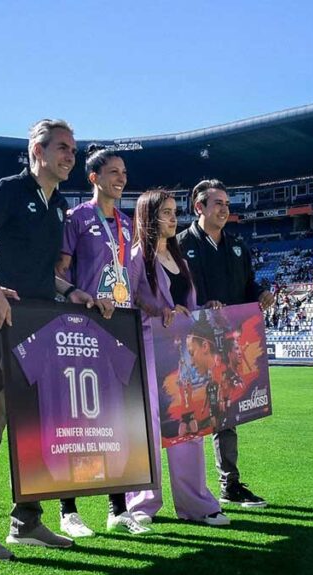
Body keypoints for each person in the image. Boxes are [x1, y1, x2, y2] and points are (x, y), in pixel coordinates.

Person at [0, 119, 101, 562]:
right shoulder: (10, 188)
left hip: (42, 325)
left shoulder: (58, 206)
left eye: (73, 150)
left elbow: (44, 273)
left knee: (37, 430)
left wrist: (70, 290)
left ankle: (28, 522)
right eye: (62, 148)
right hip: (2, 322)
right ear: (37, 151)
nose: (69, 156)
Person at [53, 145, 150, 537]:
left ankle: (116, 507)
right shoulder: (76, 219)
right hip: (80, 329)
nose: (121, 178)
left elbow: (128, 276)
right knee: (75, 420)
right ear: (93, 178)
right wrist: (83, 296)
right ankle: (68, 510)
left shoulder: (128, 224)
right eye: (113, 172)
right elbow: (60, 272)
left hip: (118, 329)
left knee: (116, 420)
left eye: (124, 172)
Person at [124, 188, 231, 527]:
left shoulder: (180, 259)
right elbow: (128, 299)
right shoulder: (137, 256)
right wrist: (159, 310)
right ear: (148, 217)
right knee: (151, 430)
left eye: (174, 212)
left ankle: (197, 505)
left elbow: (189, 305)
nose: (173, 219)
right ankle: (141, 507)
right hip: (150, 351)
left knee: (189, 429)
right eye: (166, 212)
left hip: (183, 352)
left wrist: (205, 309)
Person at [177, 179, 274, 508]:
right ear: (199, 207)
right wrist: (201, 306)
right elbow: (174, 295)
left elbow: (248, 286)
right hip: (191, 344)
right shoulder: (179, 245)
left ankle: (229, 484)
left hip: (229, 343)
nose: (225, 209)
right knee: (189, 418)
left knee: (226, 416)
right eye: (218, 203)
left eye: (227, 203)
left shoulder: (237, 247)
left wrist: (261, 293)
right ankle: (189, 493)